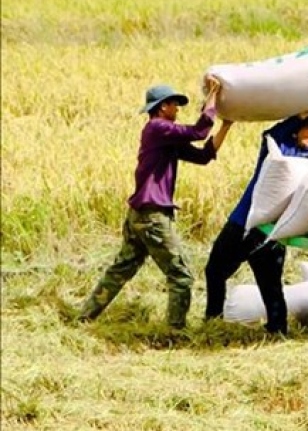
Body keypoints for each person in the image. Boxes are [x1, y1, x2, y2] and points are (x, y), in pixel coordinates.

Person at [78, 82, 233, 329]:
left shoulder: (165, 138)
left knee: (121, 269)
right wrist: (213, 97)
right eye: (175, 105)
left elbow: (203, 156)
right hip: (152, 217)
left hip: (139, 215)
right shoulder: (157, 128)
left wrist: (226, 125)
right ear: (163, 107)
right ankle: (175, 331)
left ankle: (85, 317)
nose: (178, 110)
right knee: (181, 276)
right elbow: (199, 131)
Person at [203, 92, 308, 335]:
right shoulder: (279, 150)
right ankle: (216, 320)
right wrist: (297, 117)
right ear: (296, 131)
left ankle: (275, 329)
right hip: (252, 223)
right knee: (217, 271)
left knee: (268, 283)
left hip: (262, 229)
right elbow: (270, 135)